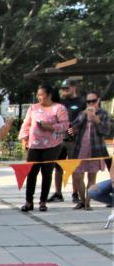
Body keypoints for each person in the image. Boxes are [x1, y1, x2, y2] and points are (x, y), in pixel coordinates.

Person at [19, 84, 69, 212]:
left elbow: (65, 125)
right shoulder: (33, 108)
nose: (39, 97)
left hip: (52, 145)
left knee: (47, 173)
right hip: (34, 145)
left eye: (41, 95)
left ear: (49, 95)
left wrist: (51, 127)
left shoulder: (59, 108)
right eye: (38, 95)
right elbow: (26, 124)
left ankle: (43, 202)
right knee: (31, 173)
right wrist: (24, 138)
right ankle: (28, 201)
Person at [68, 92, 110, 211]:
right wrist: (84, 116)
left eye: (93, 101)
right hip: (80, 149)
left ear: (98, 101)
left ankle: (87, 203)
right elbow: (73, 127)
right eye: (88, 101)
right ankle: (82, 200)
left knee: (92, 177)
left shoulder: (103, 114)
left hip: (95, 150)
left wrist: (96, 120)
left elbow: (106, 131)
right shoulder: (82, 113)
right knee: (77, 176)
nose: (91, 103)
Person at [50, 80, 86, 203]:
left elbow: (85, 120)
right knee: (58, 166)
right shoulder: (59, 102)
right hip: (60, 137)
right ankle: (58, 193)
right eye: (63, 88)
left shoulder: (82, 102)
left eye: (67, 88)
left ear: (74, 87)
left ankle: (75, 193)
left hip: (74, 138)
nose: (64, 91)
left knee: (74, 166)